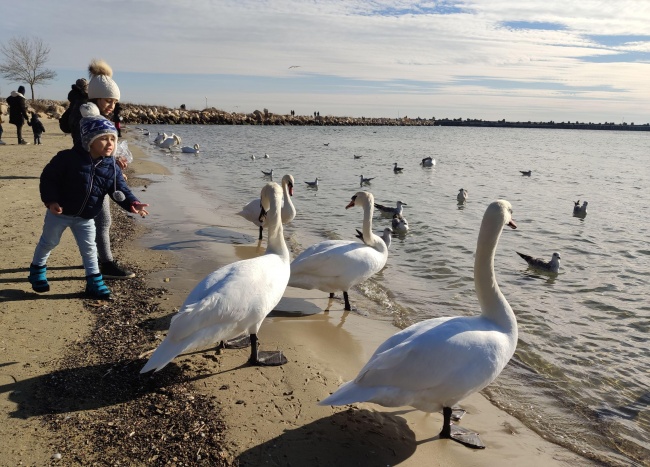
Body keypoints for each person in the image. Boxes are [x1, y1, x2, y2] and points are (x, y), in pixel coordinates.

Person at [28, 103, 149, 299]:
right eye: (103, 139)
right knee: (49, 242)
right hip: (59, 213)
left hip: (86, 217)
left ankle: (94, 282)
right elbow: (48, 178)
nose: (110, 143)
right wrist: (51, 201)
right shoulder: (67, 158)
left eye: (113, 139)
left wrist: (133, 203)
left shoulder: (111, 166)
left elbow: (120, 189)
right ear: (89, 141)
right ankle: (37, 271)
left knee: (90, 250)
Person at [69, 59, 134, 279]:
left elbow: (98, 149)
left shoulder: (90, 114)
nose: (112, 106)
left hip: (91, 171)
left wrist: (114, 161)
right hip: (90, 174)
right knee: (101, 218)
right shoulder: (88, 118)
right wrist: (112, 164)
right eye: (109, 101)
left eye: (115, 102)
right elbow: (93, 151)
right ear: (96, 97)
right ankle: (105, 264)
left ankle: (93, 258)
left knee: (91, 220)